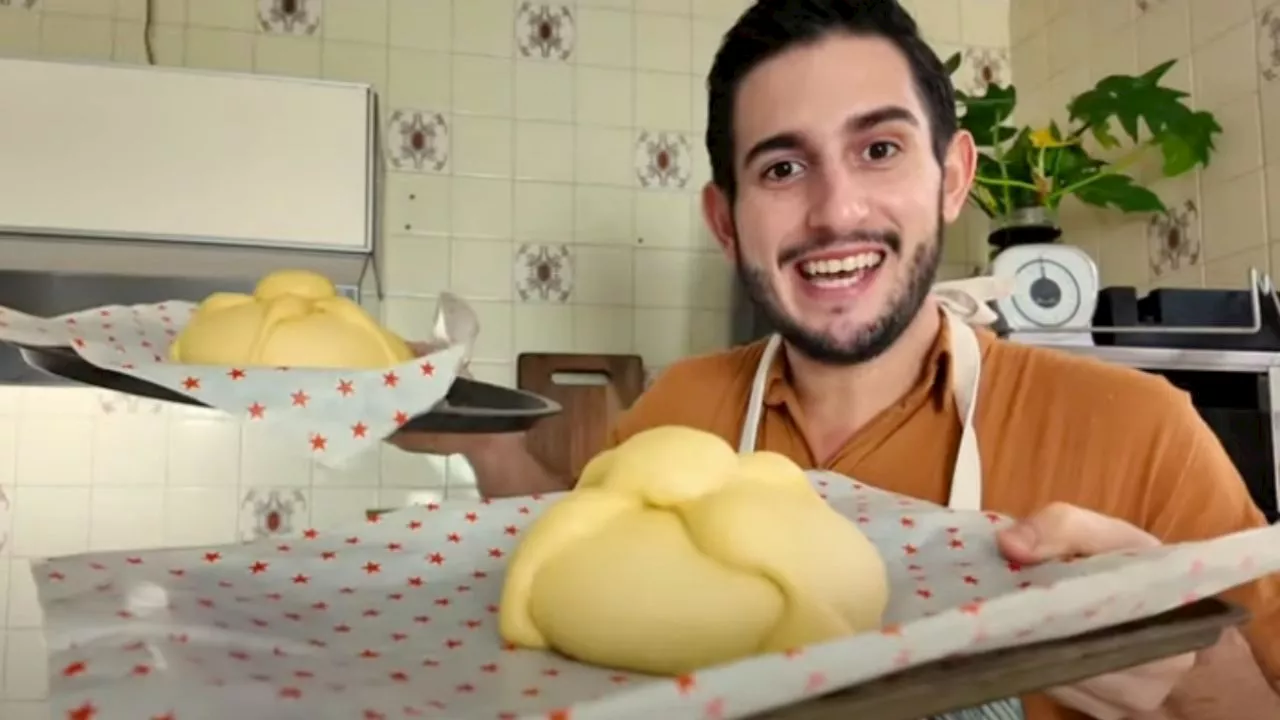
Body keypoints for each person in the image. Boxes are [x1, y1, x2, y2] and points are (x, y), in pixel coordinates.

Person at [392, 1, 1280, 717]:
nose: (835, 211)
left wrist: (1187, 661)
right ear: (726, 219)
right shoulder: (681, 408)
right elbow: (581, 578)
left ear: (952, 176)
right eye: (782, 169)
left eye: (880, 150)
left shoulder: (1139, 431)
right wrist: (481, 439)